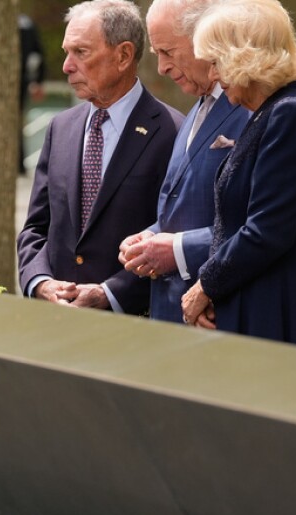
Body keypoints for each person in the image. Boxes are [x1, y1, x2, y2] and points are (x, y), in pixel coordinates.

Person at [180, 0, 296, 354]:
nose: (212, 76)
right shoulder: (277, 110)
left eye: (216, 62)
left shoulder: (291, 114)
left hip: (280, 313)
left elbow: (267, 231)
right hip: (269, 305)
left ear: (244, 56)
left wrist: (206, 286)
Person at [16, 0, 182, 315]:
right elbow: (36, 228)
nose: (67, 66)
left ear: (123, 56)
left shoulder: (173, 132)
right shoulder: (60, 128)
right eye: (67, 52)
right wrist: (39, 282)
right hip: (56, 319)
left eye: (81, 52)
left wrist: (110, 293)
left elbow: (174, 239)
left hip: (131, 325)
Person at [116, 0, 249, 323]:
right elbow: (183, 205)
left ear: (205, 37)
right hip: (173, 315)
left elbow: (259, 225)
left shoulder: (250, 108)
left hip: (218, 315)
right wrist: (150, 238)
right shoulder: (196, 110)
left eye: (168, 52)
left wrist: (177, 249)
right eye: (157, 54)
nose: (161, 67)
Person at [18, 13, 46, 173]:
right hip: (23, 81)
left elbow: (37, 54)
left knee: (16, 122)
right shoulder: (26, 23)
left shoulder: (25, 25)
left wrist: (37, 81)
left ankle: (19, 163)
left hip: (20, 82)